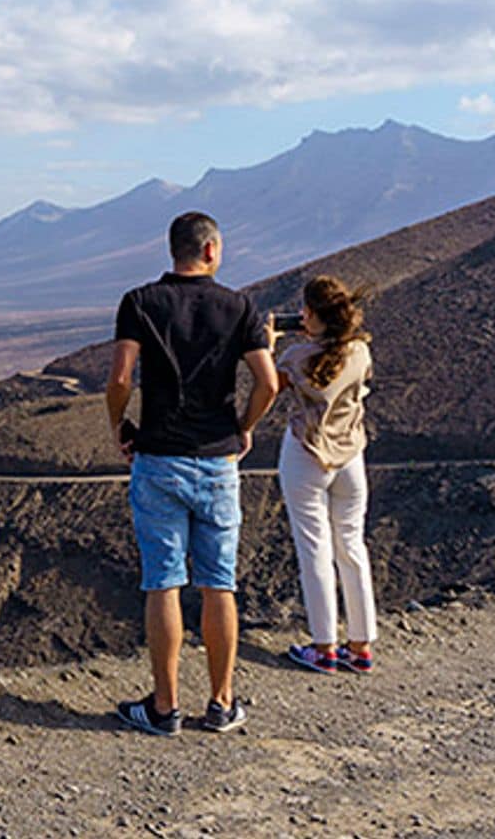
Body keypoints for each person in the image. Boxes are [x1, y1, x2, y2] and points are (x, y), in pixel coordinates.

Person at [106, 211, 278, 735]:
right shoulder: (240, 306)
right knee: (217, 585)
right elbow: (268, 383)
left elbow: (119, 377)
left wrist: (121, 427)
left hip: (158, 457)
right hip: (218, 460)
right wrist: (243, 427)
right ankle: (222, 703)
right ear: (210, 251)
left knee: (162, 583)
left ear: (174, 250)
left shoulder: (140, 303)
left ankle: (164, 707)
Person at [274, 276, 378, 676]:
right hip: (351, 457)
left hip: (306, 454)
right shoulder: (360, 352)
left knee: (314, 548)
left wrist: (268, 345)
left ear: (314, 314)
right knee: (352, 545)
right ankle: (361, 645)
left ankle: (324, 646)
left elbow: (270, 384)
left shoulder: (297, 358)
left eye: (305, 310)